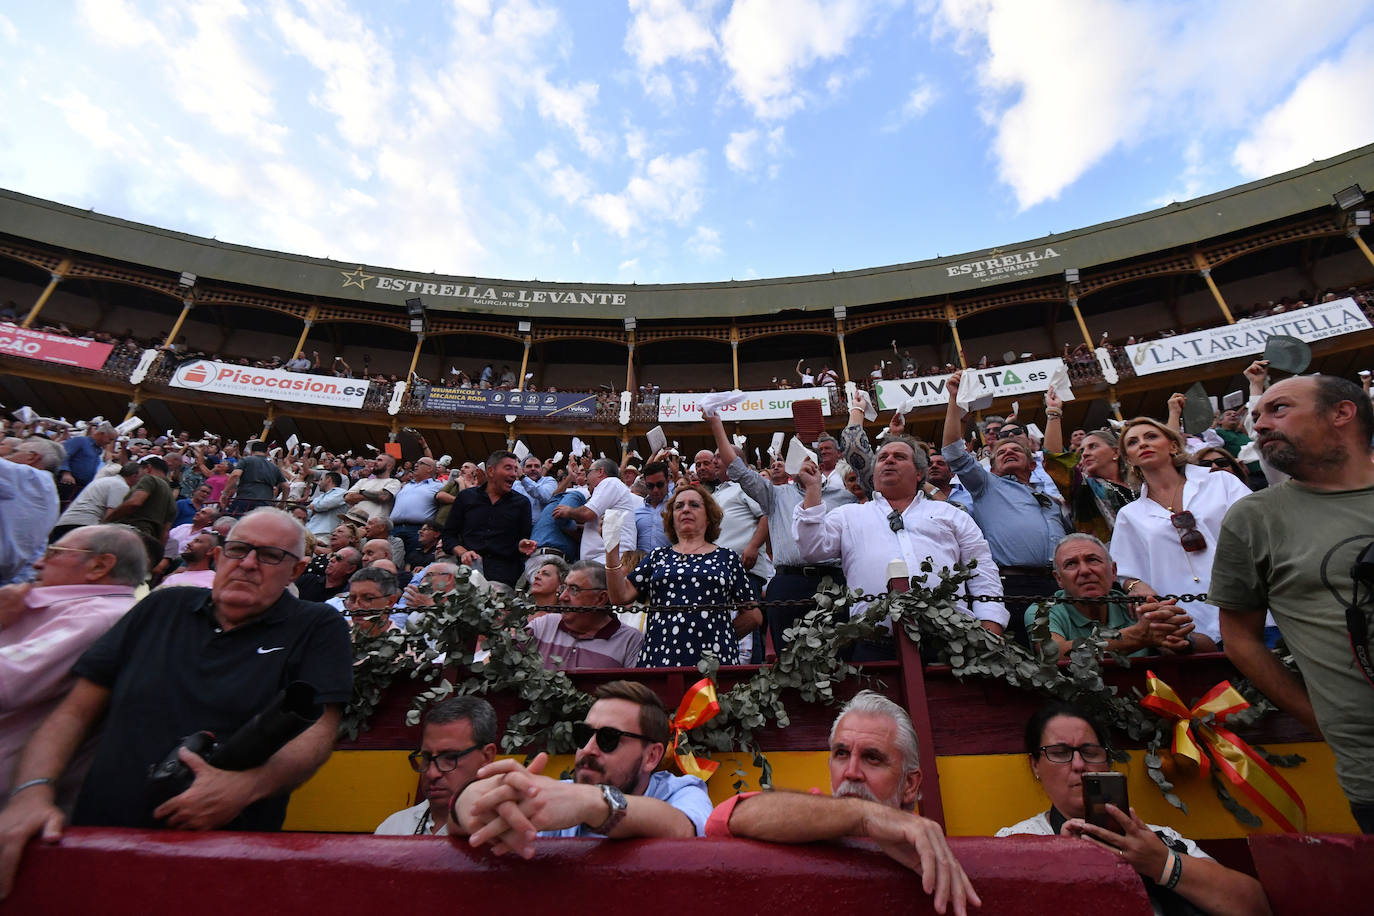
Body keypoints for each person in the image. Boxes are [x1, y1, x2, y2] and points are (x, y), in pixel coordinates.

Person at [0, 508, 353, 900]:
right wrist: (31, 793)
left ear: (297, 570)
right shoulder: (159, 607)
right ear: (218, 556)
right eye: (238, 550)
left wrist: (246, 787)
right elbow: (74, 712)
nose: (248, 564)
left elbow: (319, 729)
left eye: (270, 555)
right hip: (98, 838)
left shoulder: (317, 626)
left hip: (223, 854)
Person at [1211, 374, 1374, 832]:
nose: (1259, 424)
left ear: (1342, 412)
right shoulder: (1254, 518)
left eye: (1278, 410)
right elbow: (1239, 637)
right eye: (1256, 415)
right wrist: (1320, 716)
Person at [706, 691, 978, 916]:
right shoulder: (803, 814)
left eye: (872, 758)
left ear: (909, 784)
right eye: (842, 754)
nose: (851, 772)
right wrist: (864, 816)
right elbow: (725, 818)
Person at [996, 701, 1269, 916]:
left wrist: (1162, 863)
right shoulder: (1015, 844)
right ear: (1035, 765)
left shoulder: (1156, 840)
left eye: (1090, 752)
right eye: (1060, 752)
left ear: (1107, 763)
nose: (1079, 765)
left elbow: (1255, 907)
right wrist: (1062, 866)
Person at [795, 434, 1007, 658]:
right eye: (882, 457)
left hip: (951, 642)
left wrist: (990, 624)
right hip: (873, 643)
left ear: (918, 473)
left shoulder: (951, 514)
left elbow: (982, 568)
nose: (889, 460)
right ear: (874, 472)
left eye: (899, 456)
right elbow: (812, 549)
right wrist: (812, 490)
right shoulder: (848, 515)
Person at [452, 680, 712, 853]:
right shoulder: (556, 796)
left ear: (652, 756)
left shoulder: (682, 792)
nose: (588, 748)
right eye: (583, 734)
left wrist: (593, 802)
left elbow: (683, 829)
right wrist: (466, 802)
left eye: (608, 738)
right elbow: (459, 821)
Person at [0, 525, 146, 800]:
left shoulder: (99, 617)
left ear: (99, 566)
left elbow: (6, 681)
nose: (38, 562)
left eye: (54, 552)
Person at [942, 373, 1070, 645]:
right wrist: (954, 400)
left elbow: (1057, 461)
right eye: (1001, 451)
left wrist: (1054, 413)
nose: (1009, 452)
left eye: (1017, 450)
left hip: (1059, 588)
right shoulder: (986, 486)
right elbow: (953, 452)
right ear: (992, 465)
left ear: (1032, 464)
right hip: (1011, 587)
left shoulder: (1047, 500)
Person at [1109, 416, 1252, 645]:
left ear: (1173, 446)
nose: (1143, 444)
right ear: (1129, 459)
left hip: (1250, 607)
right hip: (1189, 623)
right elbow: (1126, 572)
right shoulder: (1130, 515)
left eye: (1151, 436)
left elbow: (1258, 531)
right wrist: (1136, 586)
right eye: (1133, 442)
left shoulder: (1221, 483)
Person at [606, 484, 757, 668]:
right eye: (679, 506)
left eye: (694, 505)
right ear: (672, 518)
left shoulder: (728, 558)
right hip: (660, 659)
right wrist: (611, 549)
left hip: (713, 663)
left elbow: (753, 616)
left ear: (708, 516)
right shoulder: (657, 556)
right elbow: (619, 596)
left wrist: (721, 636)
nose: (685, 509)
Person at [1028, 534, 1210, 660]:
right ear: (1059, 579)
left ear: (1114, 572)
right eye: (1071, 564)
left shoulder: (1136, 606)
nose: (1084, 570)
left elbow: (1208, 647)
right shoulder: (1040, 611)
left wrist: (1177, 640)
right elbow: (1054, 653)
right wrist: (1139, 636)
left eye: (1093, 560)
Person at [374, 697, 499, 836]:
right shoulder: (394, 829)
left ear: (487, 757)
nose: (431, 773)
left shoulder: (505, 832)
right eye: (427, 758)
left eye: (450, 757)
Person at [1042, 389, 1136, 543]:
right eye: (1082, 450)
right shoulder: (1083, 487)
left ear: (1116, 451)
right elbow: (1054, 460)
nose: (1084, 454)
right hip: (1114, 560)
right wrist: (1054, 413)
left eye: (1093, 446)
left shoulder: (1141, 482)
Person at [440, 450, 533, 589]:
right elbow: (448, 536)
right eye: (508, 468)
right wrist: (463, 552)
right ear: (490, 471)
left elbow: (522, 542)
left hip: (503, 575)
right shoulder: (466, 497)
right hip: (466, 571)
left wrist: (521, 546)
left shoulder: (522, 503)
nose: (514, 474)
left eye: (515, 469)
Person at [527, 561, 644, 670]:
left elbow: (633, 690)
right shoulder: (542, 626)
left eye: (574, 589)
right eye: (564, 588)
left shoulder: (630, 641)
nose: (563, 597)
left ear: (600, 598)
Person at [1, 438, 62, 585]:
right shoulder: (50, 494)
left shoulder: (30, 477)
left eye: (14, 452)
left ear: (32, 457)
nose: (6, 457)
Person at [555, 459, 638, 565]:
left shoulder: (610, 482)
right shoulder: (610, 486)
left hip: (608, 559)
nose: (586, 477)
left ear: (600, 471)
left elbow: (587, 513)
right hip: (603, 559)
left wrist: (568, 511)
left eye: (588, 471)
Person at [105, 456, 177, 566]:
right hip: (147, 543)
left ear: (148, 468)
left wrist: (107, 520)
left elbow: (135, 502)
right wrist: (155, 557)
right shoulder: (172, 499)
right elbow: (165, 533)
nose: (138, 475)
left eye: (140, 471)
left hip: (129, 533)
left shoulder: (150, 479)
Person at [50, 461, 141, 542]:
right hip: (83, 525)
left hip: (67, 522)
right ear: (135, 476)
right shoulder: (120, 486)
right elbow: (111, 515)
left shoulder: (105, 480)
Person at [389, 457, 443, 554]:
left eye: (420, 463)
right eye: (416, 463)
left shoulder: (438, 486)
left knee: (411, 561)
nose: (416, 465)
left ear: (430, 468)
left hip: (417, 530)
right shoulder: (406, 485)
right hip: (395, 528)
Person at [221, 441, 287, 515]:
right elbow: (286, 486)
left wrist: (225, 493)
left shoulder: (245, 460)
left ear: (252, 451)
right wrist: (282, 503)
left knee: (233, 522)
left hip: (245, 499)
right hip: (265, 503)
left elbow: (235, 475)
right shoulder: (275, 467)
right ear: (266, 452)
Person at [343, 453, 401, 521]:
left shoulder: (394, 482)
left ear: (389, 466)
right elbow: (348, 498)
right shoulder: (363, 481)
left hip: (372, 524)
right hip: (352, 521)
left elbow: (383, 497)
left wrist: (361, 492)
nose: (375, 462)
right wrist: (375, 497)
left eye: (379, 460)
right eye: (375, 460)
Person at [156, 529, 220, 589]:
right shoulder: (173, 578)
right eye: (193, 540)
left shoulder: (213, 581)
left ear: (210, 551)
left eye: (198, 541)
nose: (189, 544)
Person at [634, 460, 674, 551]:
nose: (655, 490)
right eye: (650, 486)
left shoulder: (677, 507)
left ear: (668, 481)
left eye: (660, 485)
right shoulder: (637, 512)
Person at [513, 455, 557, 524]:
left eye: (537, 466)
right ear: (523, 469)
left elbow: (544, 496)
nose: (533, 469)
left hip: (541, 528)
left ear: (541, 469)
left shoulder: (549, 481)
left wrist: (522, 477)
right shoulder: (515, 485)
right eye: (529, 466)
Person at [305, 471, 347, 540]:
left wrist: (314, 507)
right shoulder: (319, 497)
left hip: (324, 534)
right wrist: (314, 508)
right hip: (309, 531)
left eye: (321, 480)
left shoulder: (342, 492)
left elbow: (323, 505)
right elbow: (308, 512)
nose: (318, 483)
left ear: (329, 479)